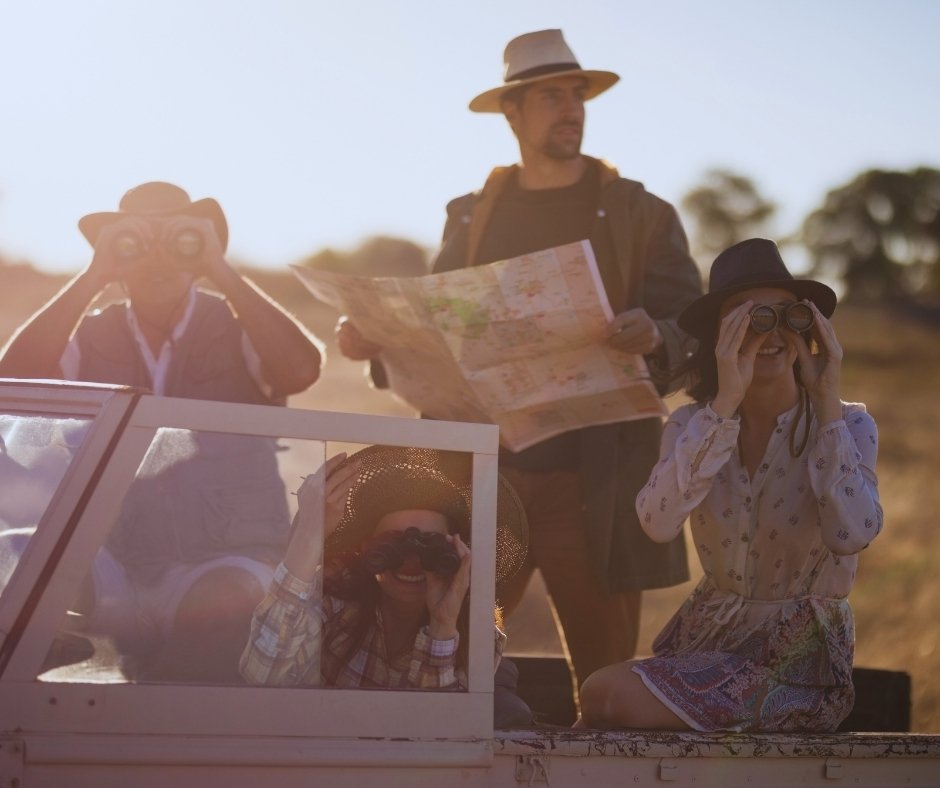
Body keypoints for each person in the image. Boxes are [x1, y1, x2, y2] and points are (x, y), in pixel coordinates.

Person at [334, 29, 703, 699]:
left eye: (578, 95)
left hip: (594, 485)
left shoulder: (641, 215)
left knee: (603, 683)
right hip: (480, 484)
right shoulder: (472, 217)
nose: (571, 109)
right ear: (513, 113)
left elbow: (697, 333)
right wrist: (375, 341)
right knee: (445, 664)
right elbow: (436, 328)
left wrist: (658, 335)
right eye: (552, 97)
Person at [0, 181, 324, 682]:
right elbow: (16, 379)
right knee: (9, 558)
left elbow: (300, 370)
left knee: (232, 600)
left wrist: (221, 271)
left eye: (179, 240)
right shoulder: (87, 335)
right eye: (133, 242)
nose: (157, 257)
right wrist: (93, 277)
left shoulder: (240, 329)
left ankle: (142, 712)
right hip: (111, 561)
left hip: (223, 555)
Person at [578, 238, 884, 732]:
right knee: (595, 701)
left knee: (607, 696)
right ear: (718, 338)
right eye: (748, 318)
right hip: (709, 649)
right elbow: (657, 522)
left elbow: (851, 535)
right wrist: (723, 406)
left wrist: (826, 400)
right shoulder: (693, 426)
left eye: (787, 315)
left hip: (798, 673)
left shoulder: (847, 427)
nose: (772, 331)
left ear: (810, 331)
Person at [240, 445, 529, 693]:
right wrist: (310, 533)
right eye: (392, 545)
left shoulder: (476, 632)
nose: (409, 562)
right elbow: (261, 676)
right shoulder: (334, 602)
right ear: (365, 549)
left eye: (430, 548)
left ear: (456, 552)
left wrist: (443, 626)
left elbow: (439, 735)